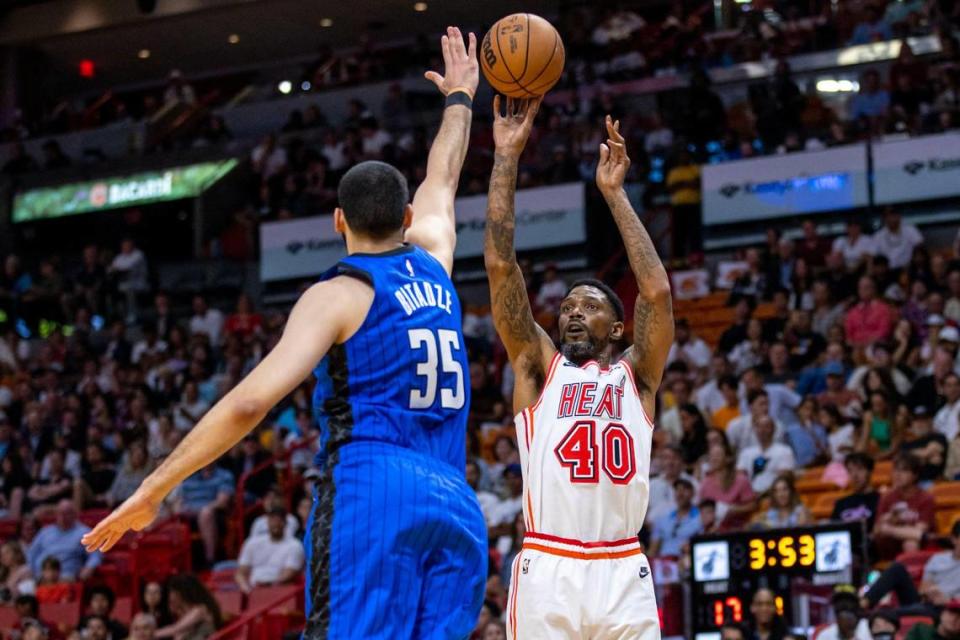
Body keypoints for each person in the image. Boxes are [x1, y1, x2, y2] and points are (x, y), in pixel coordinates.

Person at [84, 28, 487, 639]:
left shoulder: (337, 294)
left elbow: (249, 401)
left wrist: (154, 487)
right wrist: (460, 99)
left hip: (372, 491)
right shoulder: (435, 258)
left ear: (336, 221)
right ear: (406, 219)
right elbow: (445, 174)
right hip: (455, 501)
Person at [484, 108, 669, 638]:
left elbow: (655, 293)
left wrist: (615, 194)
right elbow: (500, 268)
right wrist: (505, 157)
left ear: (616, 329)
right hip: (549, 563)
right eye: (566, 306)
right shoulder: (540, 369)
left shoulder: (638, 377)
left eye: (587, 306)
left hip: (622, 565)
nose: (571, 312)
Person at [874, 453, 936, 559]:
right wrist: (889, 519)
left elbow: (919, 533)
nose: (898, 475)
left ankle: (911, 574)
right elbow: (876, 530)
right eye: (896, 470)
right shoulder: (887, 497)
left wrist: (889, 529)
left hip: (918, 546)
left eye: (904, 470)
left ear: (915, 475)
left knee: (910, 542)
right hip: (889, 546)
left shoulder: (925, 498)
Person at [235, 507, 305, 593]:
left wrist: (270, 585)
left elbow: (290, 573)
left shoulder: (295, 545)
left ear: (285, 523)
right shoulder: (252, 542)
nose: (275, 524)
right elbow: (241, 572)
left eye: (279, 520)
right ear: (267, 522)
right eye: (272, 520)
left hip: (281, 591)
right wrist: (245, 586)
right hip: (252, 589)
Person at [29, 500, 100, 581]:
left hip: (65, 576)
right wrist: (32, 571)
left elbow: (95, 555)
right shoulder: (45, 531)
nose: (62, 516)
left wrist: (89, 567)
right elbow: (32, 553)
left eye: (66, 513)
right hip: (40, 575)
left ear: (74, 514)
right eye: (60, 513)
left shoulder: (84, 532)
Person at [737, 416, 796, 493]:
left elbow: (784, 479)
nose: (762, 430)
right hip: (749, 496)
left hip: (774, 495)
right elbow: (740, 478)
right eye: (759, 427)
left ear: (774, 430)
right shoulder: (746, 453)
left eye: (766, 426)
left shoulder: (784, 451)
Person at [155, 574, 221, 640]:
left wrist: (149, 634)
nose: (171, 596)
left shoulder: (200, 610)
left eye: (173, 592)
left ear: (183, 593)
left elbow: (176, 628)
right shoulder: (186, 614)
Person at [649, 478, 702, 557]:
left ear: (693, 493)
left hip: (687, 561)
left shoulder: (700, 518)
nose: (680, 494)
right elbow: (653, 549)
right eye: (677, 490)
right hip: (664, 563)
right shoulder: (664, 519)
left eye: (685, 489)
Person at [831, 453, 881, 531]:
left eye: (860, 469)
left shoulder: (881, 500)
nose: (855, 475)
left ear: (870, 471)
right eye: (850, 470)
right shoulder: (841, 504)